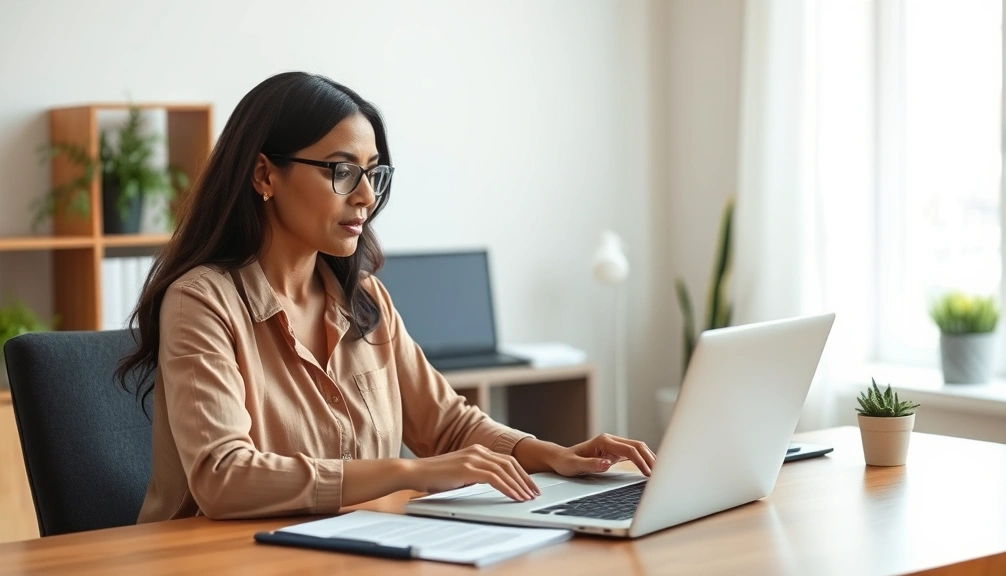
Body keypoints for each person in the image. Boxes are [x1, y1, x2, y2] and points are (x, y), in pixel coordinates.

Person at [118, 71, 656, 522]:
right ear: (265, 174)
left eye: (373, 174)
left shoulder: (364, 300)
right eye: (342, 171)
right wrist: (410, 472)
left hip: (355, 550)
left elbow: (448, 425)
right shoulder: (203, 301)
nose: (367, 196)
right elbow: (223, 477)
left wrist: (552, 455)